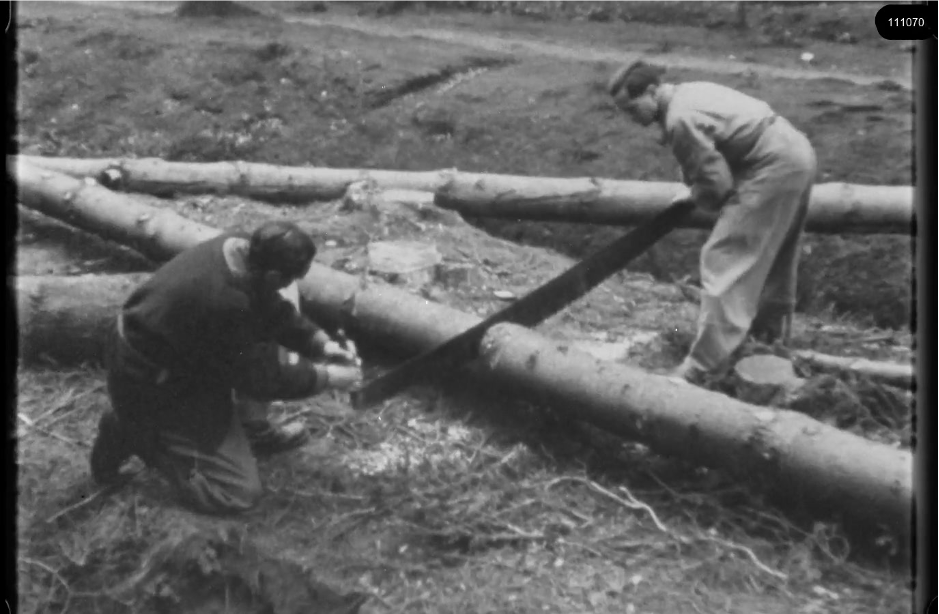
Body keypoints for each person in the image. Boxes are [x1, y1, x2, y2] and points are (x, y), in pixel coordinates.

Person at [90, 221, 362, 514]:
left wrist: (320, 343)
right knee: (238, 492)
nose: (288, 285)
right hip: (150, 381)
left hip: (177, 354)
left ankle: (251, 429)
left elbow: (269, 307)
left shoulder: (241, 248)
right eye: (288, 279)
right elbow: (260, 375)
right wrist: (328, 377)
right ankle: (141, 434)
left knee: (259, 339)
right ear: (272, 273)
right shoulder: (224, 303)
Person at [608, 61, 817, 382]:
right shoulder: (688, 93)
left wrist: (700, 194)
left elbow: (717, 186)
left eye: (632, 108)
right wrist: (696, 191)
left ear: (652, 91)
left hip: (771, 166)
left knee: (723, 257)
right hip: (794, 151)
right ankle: (767, 340)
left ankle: (703, 366)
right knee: (773, 255)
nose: (631, 119)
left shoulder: (680, 118)